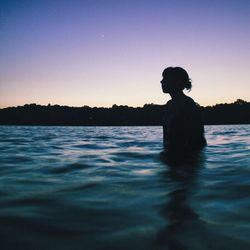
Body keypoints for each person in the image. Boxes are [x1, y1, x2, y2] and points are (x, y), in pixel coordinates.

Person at [161, 67, 206, 157]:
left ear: (177, 81)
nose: (161, 81)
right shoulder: (170, 104)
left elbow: (198, 138)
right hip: (172, 157)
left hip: (185, 159)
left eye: (165, 78)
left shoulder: (188, 105)